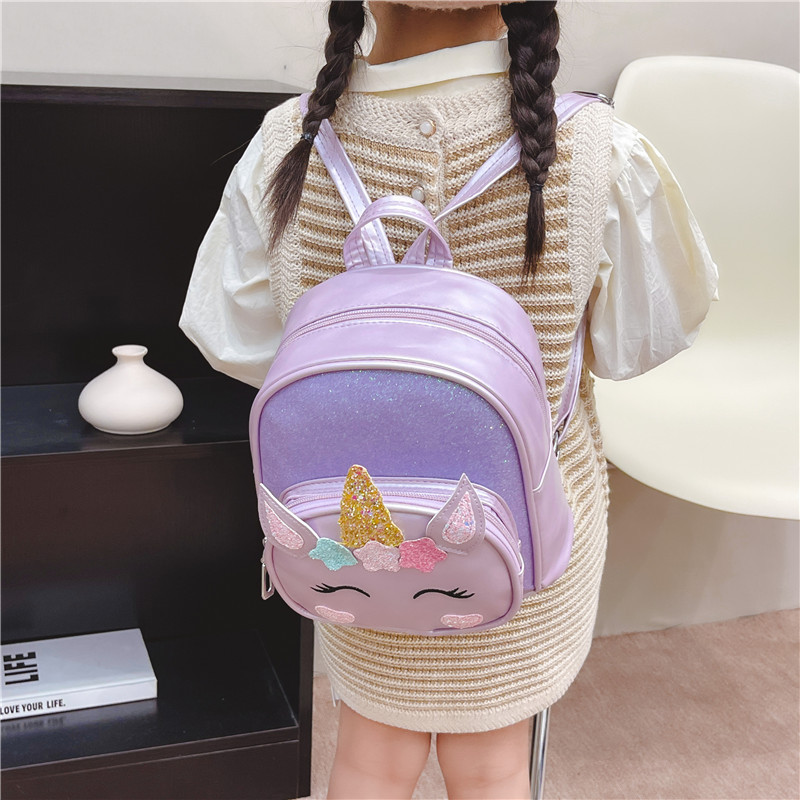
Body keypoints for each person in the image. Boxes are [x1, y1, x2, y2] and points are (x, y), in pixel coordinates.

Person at [180, 2, 718, 797]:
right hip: (527, 555)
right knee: (493, 767)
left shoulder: (285, 146)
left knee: (369, 755)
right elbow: (640, 338)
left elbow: (241, 344)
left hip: (350, 554)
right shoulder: (595, 150)